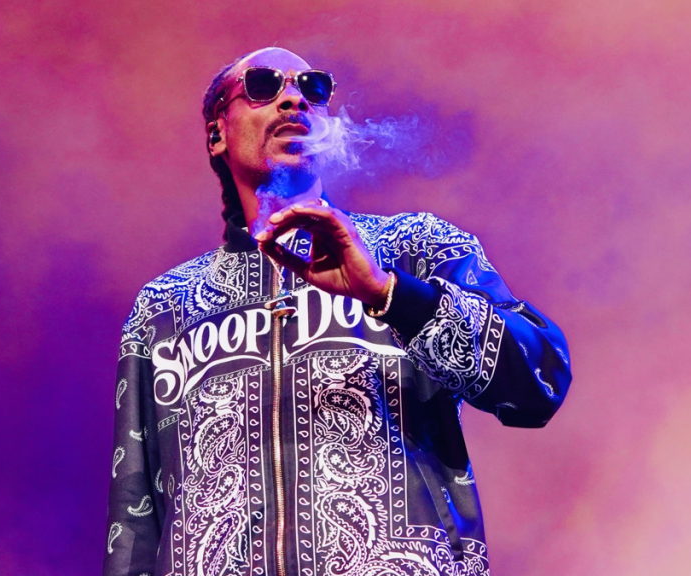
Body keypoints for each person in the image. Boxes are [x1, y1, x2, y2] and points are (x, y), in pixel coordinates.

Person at [102, 47, 571, 576]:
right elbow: (135, 515)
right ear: (217, 134)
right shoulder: (165, 306)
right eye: (263, 85)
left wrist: (391, 294)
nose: (294, 99)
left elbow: (540, 380)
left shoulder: (412, 247)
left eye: (313, 88)